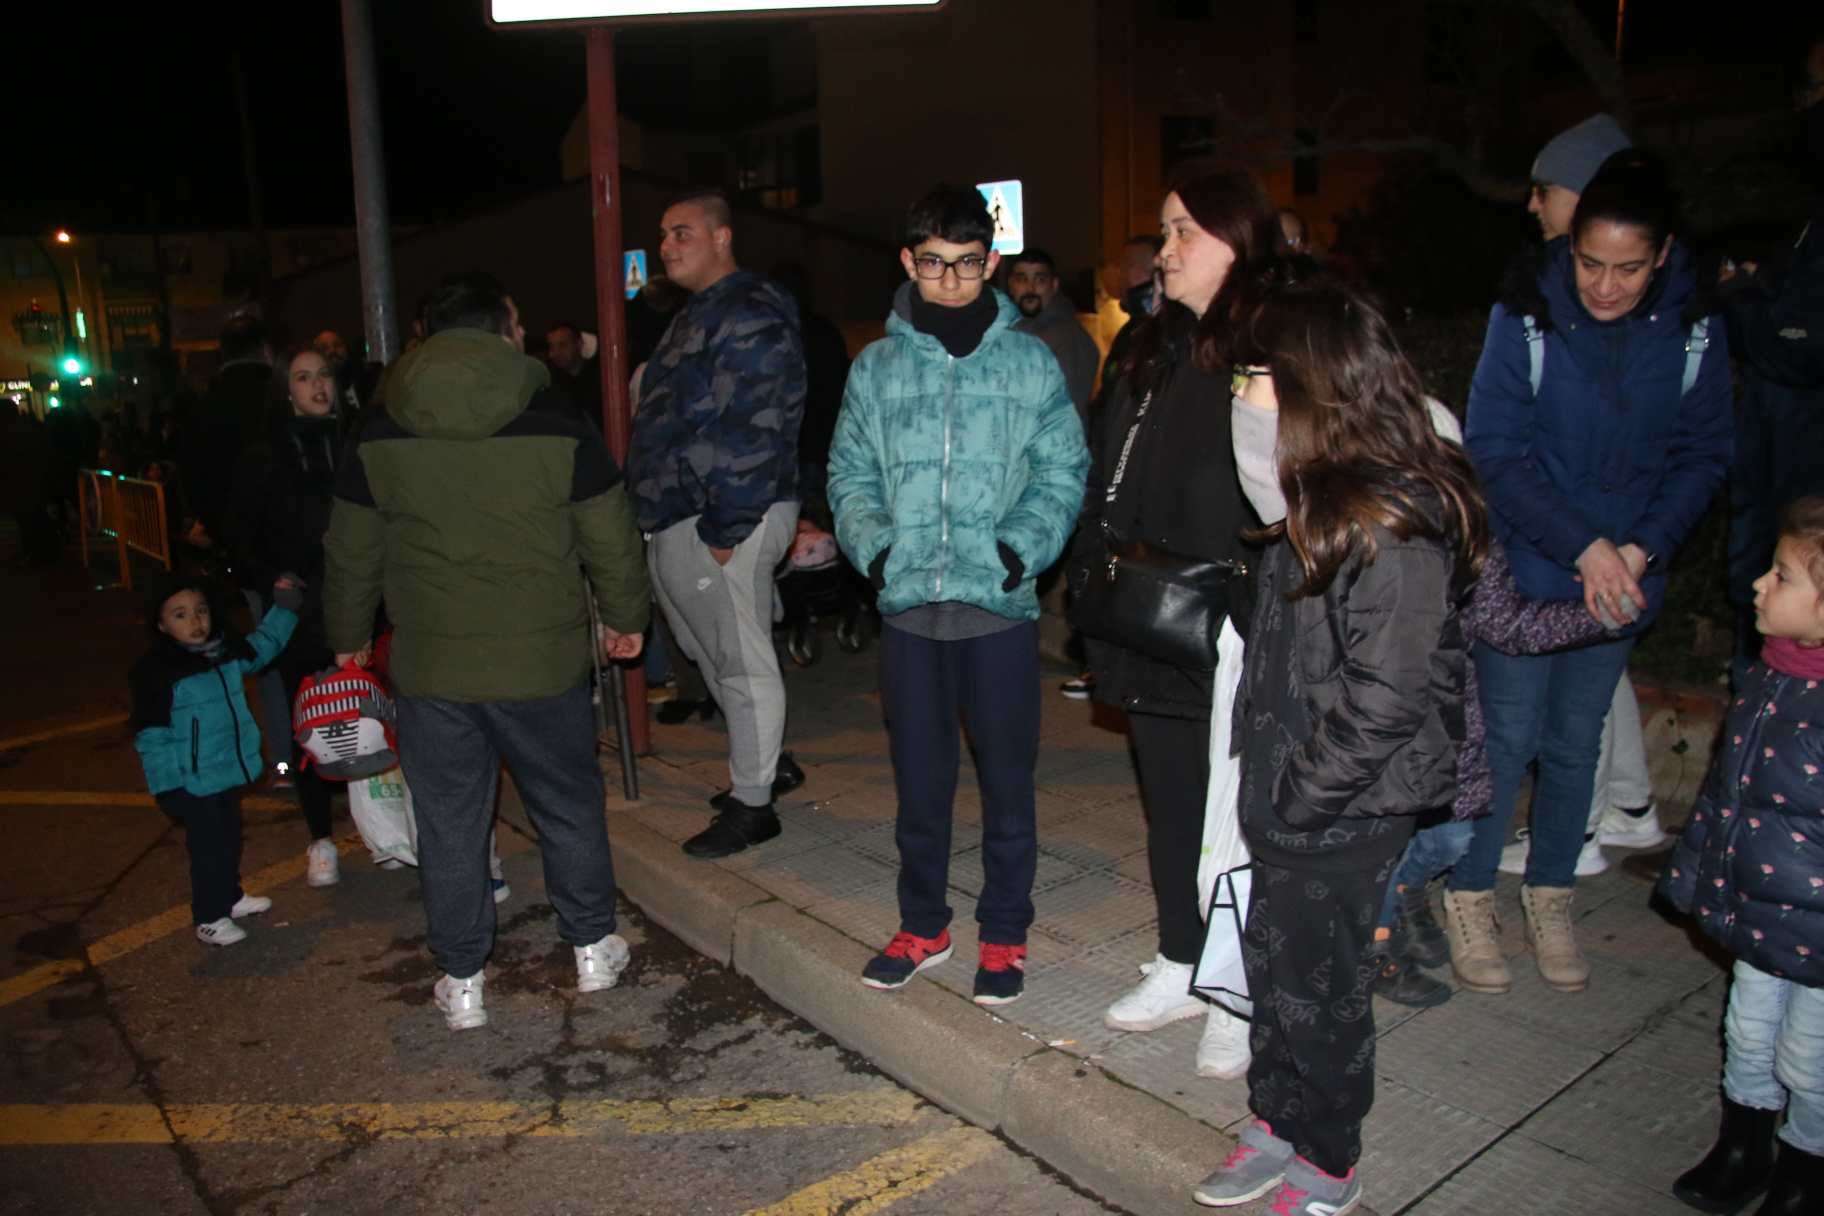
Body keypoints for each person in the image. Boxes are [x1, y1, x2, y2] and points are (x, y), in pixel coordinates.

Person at [1193, 258, 1486, 1215]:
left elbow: (1388, 695)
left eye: (1264, 378)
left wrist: (1302, 793)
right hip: (1292, 785)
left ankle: (1331, 1151)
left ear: (1319, 387)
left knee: (1323, 989)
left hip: (1344, 803)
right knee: (1277, 970)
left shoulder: (1392, 519)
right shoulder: (1314, 494)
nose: (1250, 395)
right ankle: (1277, 1119)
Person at [323, 271, 651, 1032]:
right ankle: (593, 946)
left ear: (427, 336)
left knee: (448, 822)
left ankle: (464, 979)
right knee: (568, 805)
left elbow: (350, 551)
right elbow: (608, 529)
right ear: (506, 329)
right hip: (541, 664)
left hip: (433, 668)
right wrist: (627, 615)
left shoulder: (380, 428)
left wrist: (347, 638)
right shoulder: (556, 419)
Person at [1446, 150, 1733, 995]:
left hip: (1627, 576)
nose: (1605, 287)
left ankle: (1551, 890)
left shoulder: (1693, 326)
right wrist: (1585, 545)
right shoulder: (1525, 312)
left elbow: (1704, 452)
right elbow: (1494, 448)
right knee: (1504, 742)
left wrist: (1640, 547)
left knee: (1577, 747)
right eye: (1591, 264)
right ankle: (1468, 894)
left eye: (1629, 269)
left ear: (1664, 255)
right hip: (1531, 566)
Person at [827, 184, 1088, 1007]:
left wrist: (1020, 550)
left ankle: (1005, 933)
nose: (950, 281)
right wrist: (876, 553)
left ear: (992, 263)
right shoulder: (875, 365)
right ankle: (923, 923)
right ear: (909, 261)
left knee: (1008, 783)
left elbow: (1062, 469)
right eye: (934, 264)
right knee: (921, 782)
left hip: (998, 606)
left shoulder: (1029, 360)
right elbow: (849, 473)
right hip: (909, 606)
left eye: (968, 265)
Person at [1080, 169, 1276, 1079]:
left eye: (1183, 231)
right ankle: (1181, 954)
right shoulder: (1152, 344)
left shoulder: (1280, 342)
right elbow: (1104, 455)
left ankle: (1240, 992)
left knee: (1236, 817)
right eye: (1163, 231)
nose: (1164, 250)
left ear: (1239, 241)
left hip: (1241, 614)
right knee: (1169, 797)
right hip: (1153, 608)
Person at [1497, 113, 1668, 883]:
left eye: (1547, 190)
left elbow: (1691, 453)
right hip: (1561, 548)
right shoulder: (1534, 300)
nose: (1534, 206)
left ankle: (1583, 832)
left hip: (1593, 551)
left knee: (1570, 718)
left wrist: (1624, 547)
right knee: (1585, 696)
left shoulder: (1661, 320)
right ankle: (1625, 807)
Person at [628, 188, 807, 859]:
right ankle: (768, 763)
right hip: (685, 512)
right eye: (664, 235)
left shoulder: (748, 308)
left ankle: (753, 806)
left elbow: (755, 421)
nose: (669, 245)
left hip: (723, 514)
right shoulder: (696, 314)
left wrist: (729, 527)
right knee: (712, 654)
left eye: (684, 233)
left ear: (723, 237)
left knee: (740, 659)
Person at [1659, 496, 1824, 1216]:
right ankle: (1743, 1147)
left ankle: (1806, 1168)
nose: (1760, 584)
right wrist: (1695, 873)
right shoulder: (1768, 676)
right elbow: (1726, 797)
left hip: (1817, 930)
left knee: (1810, 1061)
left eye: (1783, 577)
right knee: (1748, 1032)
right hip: (1759, 910)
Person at [228, 347, 353, 888]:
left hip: (361, 599)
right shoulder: (264, 455)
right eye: (303, 378)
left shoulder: (354, 442)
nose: (316, 386)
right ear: (286, 390)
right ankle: (320, 838)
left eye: (323, 375)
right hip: (301, 611)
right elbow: (239, 535)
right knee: (310, 724)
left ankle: (386, 825)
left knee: (373, 712)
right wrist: (270, 581)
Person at [1724, 37, 1824, 684]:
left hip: (1800, 491)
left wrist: (1740, 297)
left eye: (1815, 89)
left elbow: (1797, 347)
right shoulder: (1808, 218)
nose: (1807, 108)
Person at [129, 574, 302, 946]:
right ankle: (208, 916)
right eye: (180, 615)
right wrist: (168, 785)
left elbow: (263, 646)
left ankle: (230, 897)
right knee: (208, 849)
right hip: (191, 779)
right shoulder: (158, 671)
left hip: (225, 770)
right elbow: (151, 734)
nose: (195, 622)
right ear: (161, 625)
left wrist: (283, 609)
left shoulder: (223, 653)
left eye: (201, 611)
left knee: (228, 839)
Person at [178, 314, 274, 549]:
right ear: (264, 349)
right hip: (276, 530)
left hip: (224, 529)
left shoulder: (205, 404)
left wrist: (210, 521)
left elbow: (191, 468)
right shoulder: (279, 395)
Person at [1006, 247, 1102, 427]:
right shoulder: (1012, 331)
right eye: (1022, 279)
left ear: (1054, 285)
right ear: (1011, 285)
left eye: (1040, 280)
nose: (1030, 288)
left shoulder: (1067, 337)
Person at [545, 322, 604, 432]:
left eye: (562, 345)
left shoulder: (600, 380)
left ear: (579, 344)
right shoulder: (550, 384)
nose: (554, 353)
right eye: (551, 347)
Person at [313, 329, 366, 418]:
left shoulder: (364, 377)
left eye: (337, 345)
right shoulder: (315, 387)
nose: (332, 351)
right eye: (324, 348)